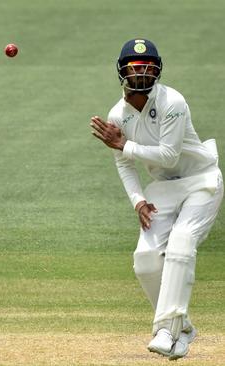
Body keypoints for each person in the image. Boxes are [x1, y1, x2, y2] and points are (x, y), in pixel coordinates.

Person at [91, 38, 222, 360]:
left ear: (158, 70)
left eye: (148, 66)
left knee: (181, 242)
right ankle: (184, 327)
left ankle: (165, 329)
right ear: (122, 71)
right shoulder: (117, 114)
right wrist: (137, 200)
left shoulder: (172, 101)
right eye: (136, 67)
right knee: (145, 260)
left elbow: (167, 154)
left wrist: (124, 146)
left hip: (201, 180)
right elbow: (124, 163)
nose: (142, 72)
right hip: (163, 187)